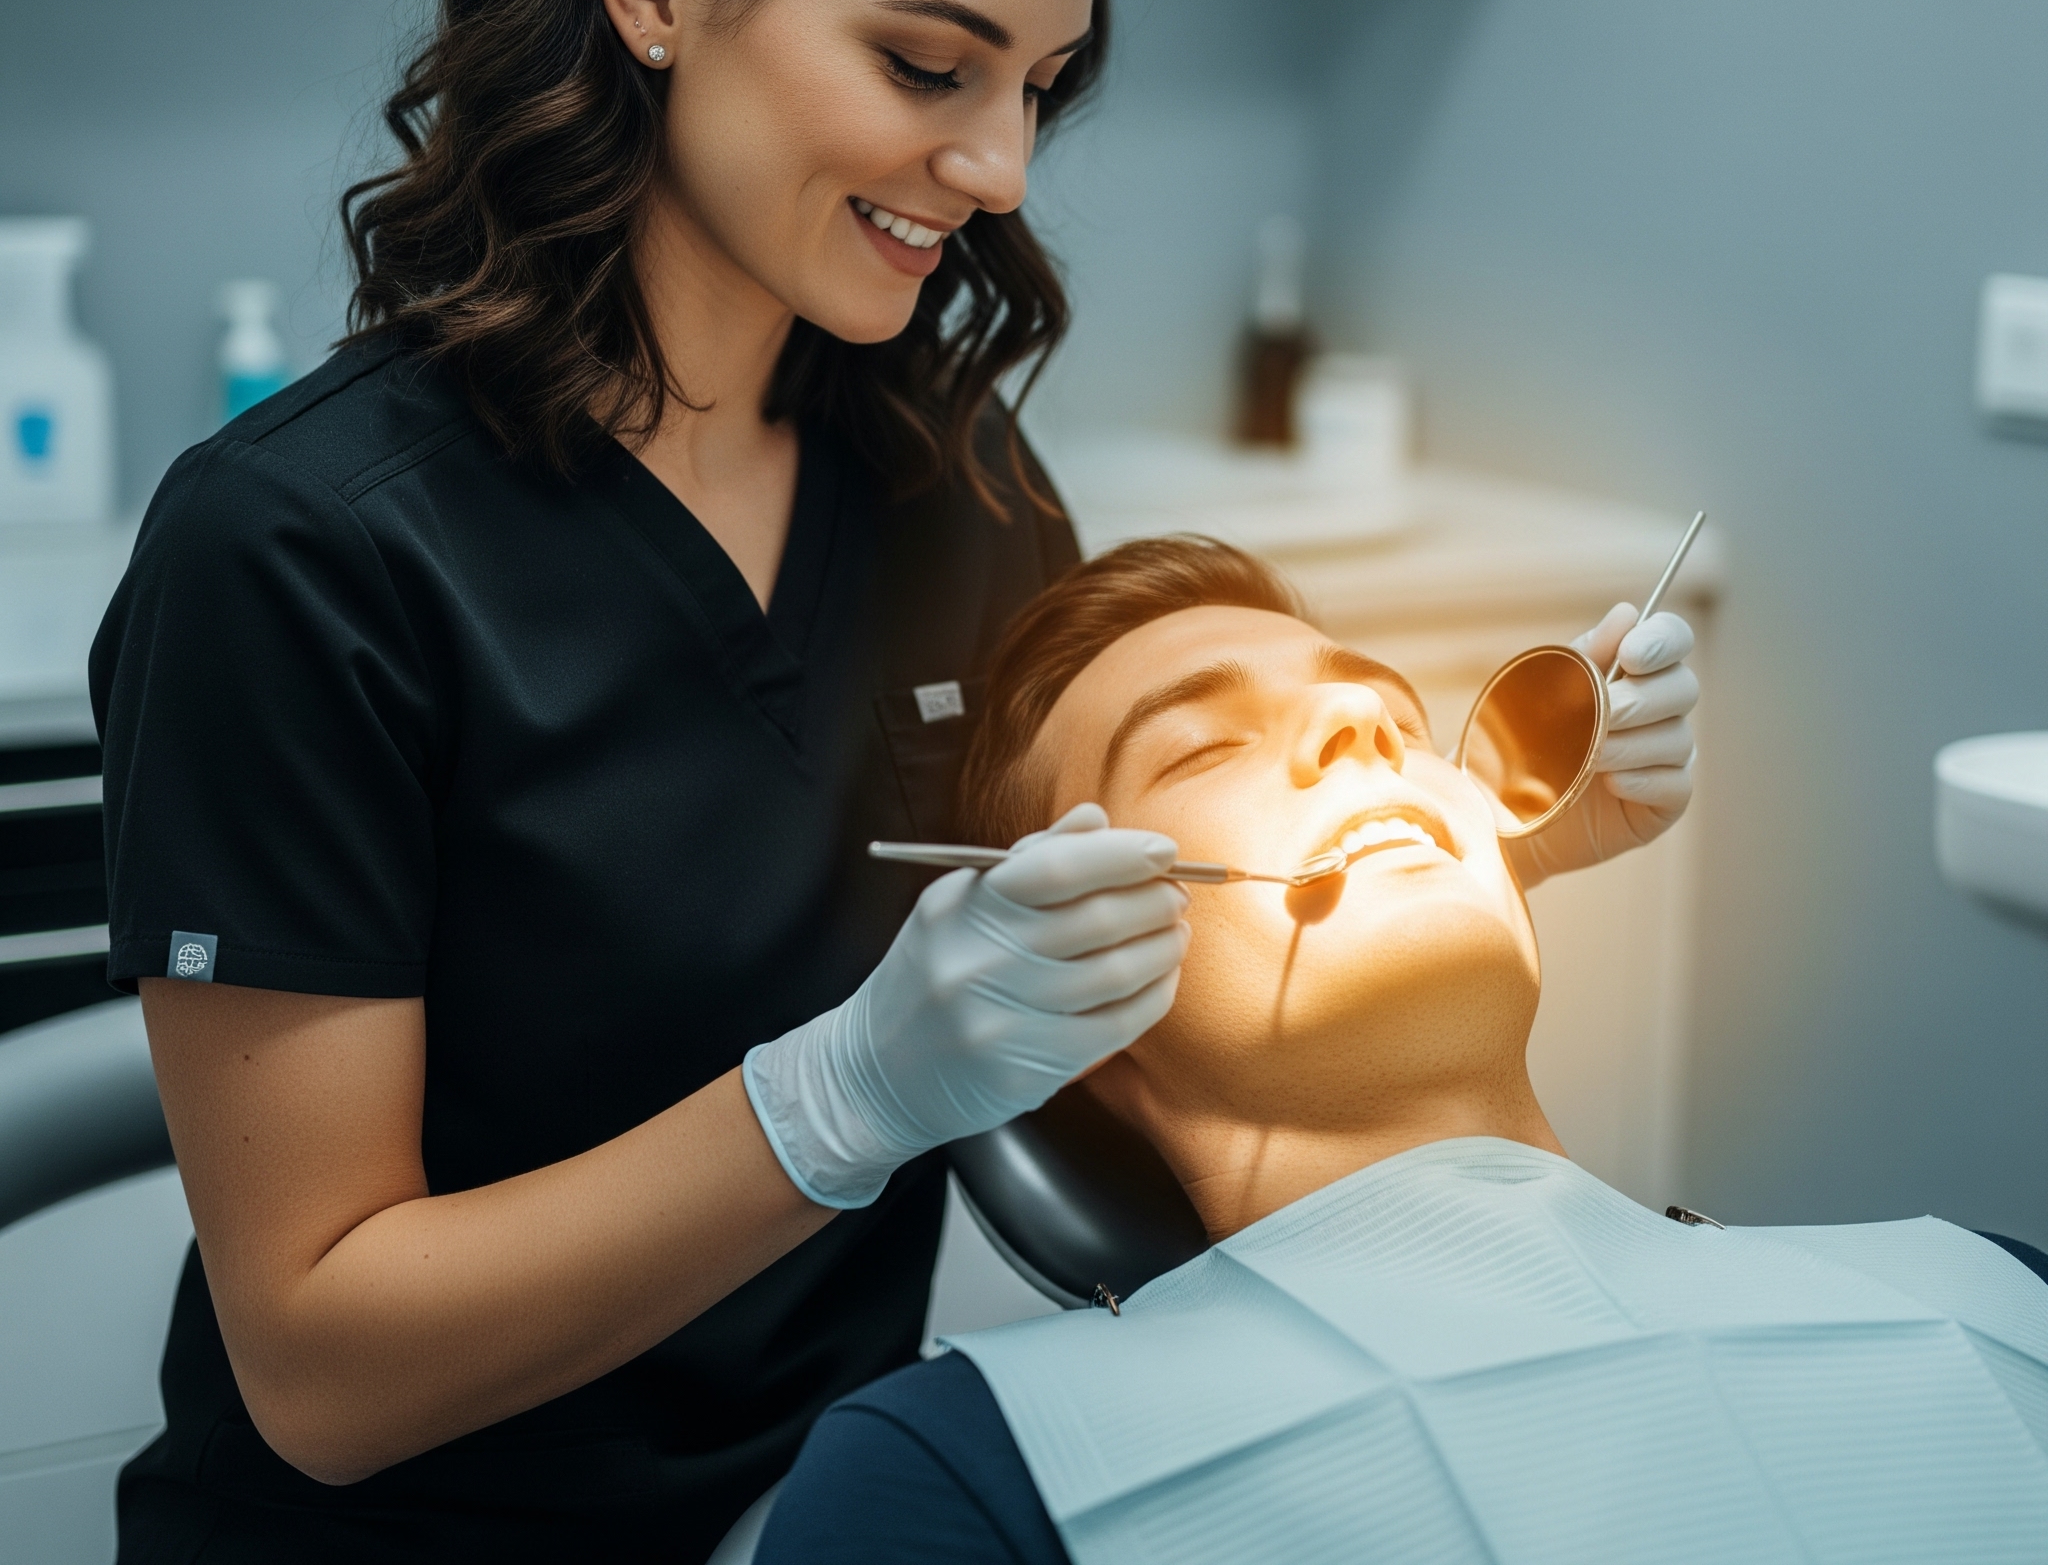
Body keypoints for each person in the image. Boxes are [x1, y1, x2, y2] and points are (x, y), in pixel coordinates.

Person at [89, 0, 1702, 1564]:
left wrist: (1500, 834)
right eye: (931, 64)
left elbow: (1116, 951)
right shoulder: (305, 554)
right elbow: (324, 1371)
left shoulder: (947, 481)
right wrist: (833, 1102)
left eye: (1041, 80)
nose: (1005, 165)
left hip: (833, 1510)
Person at [756, 538, 2048, 1565]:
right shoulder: (968, 1475)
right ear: (1080, 984)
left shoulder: (1994, 1296)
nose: (1366, 739)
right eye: (1204, 744)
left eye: (1390, 719)